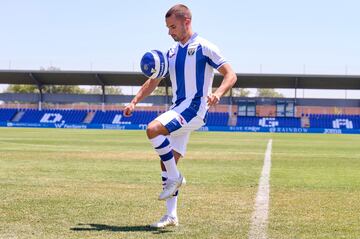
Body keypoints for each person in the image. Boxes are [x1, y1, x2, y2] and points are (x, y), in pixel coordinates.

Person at [124, 4, 237, 228]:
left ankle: (176, 179)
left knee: (152, 129)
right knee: (167, 162)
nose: (169, 32)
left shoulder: (205, 47)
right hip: (178, 108)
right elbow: (153, 81)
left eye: (173, 27)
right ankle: (171, 215)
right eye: (167, 28)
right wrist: (135, 100)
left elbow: (231, 74)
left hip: (194, 108)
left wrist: (217, 93)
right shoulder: (171, 53)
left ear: (186, 21)